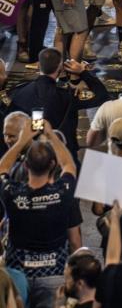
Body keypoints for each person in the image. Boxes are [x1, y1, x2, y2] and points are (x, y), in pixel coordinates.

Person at [0, 104, 78, 308]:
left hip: (18, 272)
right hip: (53, 273)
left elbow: (2, 168)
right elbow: (69, 165)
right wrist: (51, 134)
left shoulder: (13, 194)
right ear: (53, 165)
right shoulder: (61, 194)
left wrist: (22, 140)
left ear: (25, 165)